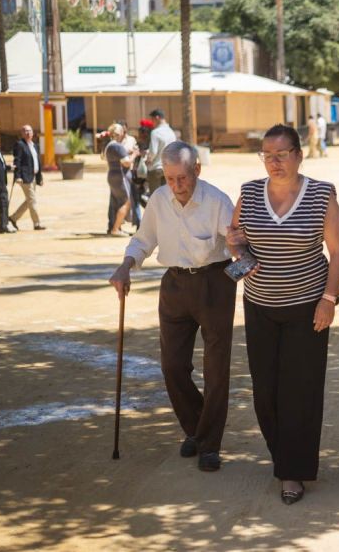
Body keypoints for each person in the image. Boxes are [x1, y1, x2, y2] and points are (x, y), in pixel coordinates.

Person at [225, 124, 339, 506]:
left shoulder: (321, 194)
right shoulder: (248, 192)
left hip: (307, 307)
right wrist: (240, 254)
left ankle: (292, 471)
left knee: (301, 391)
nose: (274, 162)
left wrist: (328, 298)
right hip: (259, 306)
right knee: (266, 392)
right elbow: (235, 236)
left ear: (299, 154)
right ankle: (284, 457)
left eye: (281, 154)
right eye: (267, 155)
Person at [108, 141, 236, 472]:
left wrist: (240, 246)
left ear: (197, 170)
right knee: (172, 366)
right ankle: (196, 428)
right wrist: (126, 265)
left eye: (183, 178)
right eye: (170, 179)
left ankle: (209, 444)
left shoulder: (216, 200)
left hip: (214, 284)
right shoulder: (160, 200)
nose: (177, 186)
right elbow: (143, 240)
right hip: (175, 285)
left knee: (216, 368)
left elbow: (235, 240)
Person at [8, 124, 46, 231]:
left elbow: (37, 162)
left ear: (33, 133)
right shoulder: (20, 145)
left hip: (33, 176)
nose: (28, 133)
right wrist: (18, 176)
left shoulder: (35, 146)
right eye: (25, 131)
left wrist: (40, 178)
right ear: (22, 133)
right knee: (32, 200)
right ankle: (37, 224)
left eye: (29, 131)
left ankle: (13, 218)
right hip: (25, 177)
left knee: (29, 200)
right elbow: (17, 161)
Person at [105, 124, 138, 236]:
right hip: (120, 176)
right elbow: (127, 162)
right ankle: (115, 229)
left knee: (116, 202)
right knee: (126, 202)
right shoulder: (117, 146)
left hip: (112, 174)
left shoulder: (109, 146)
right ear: (118, 134)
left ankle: (116, 227)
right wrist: (134, 154)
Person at [146, 109, 175, 194]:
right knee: (166, 197)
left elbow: (153, 152)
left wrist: (148, 160)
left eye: (152, 120)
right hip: (168, 168)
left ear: (157, 118)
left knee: (155, 198)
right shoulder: (171, 132)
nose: (152, 122)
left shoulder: (155, 132)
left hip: (156, 168)